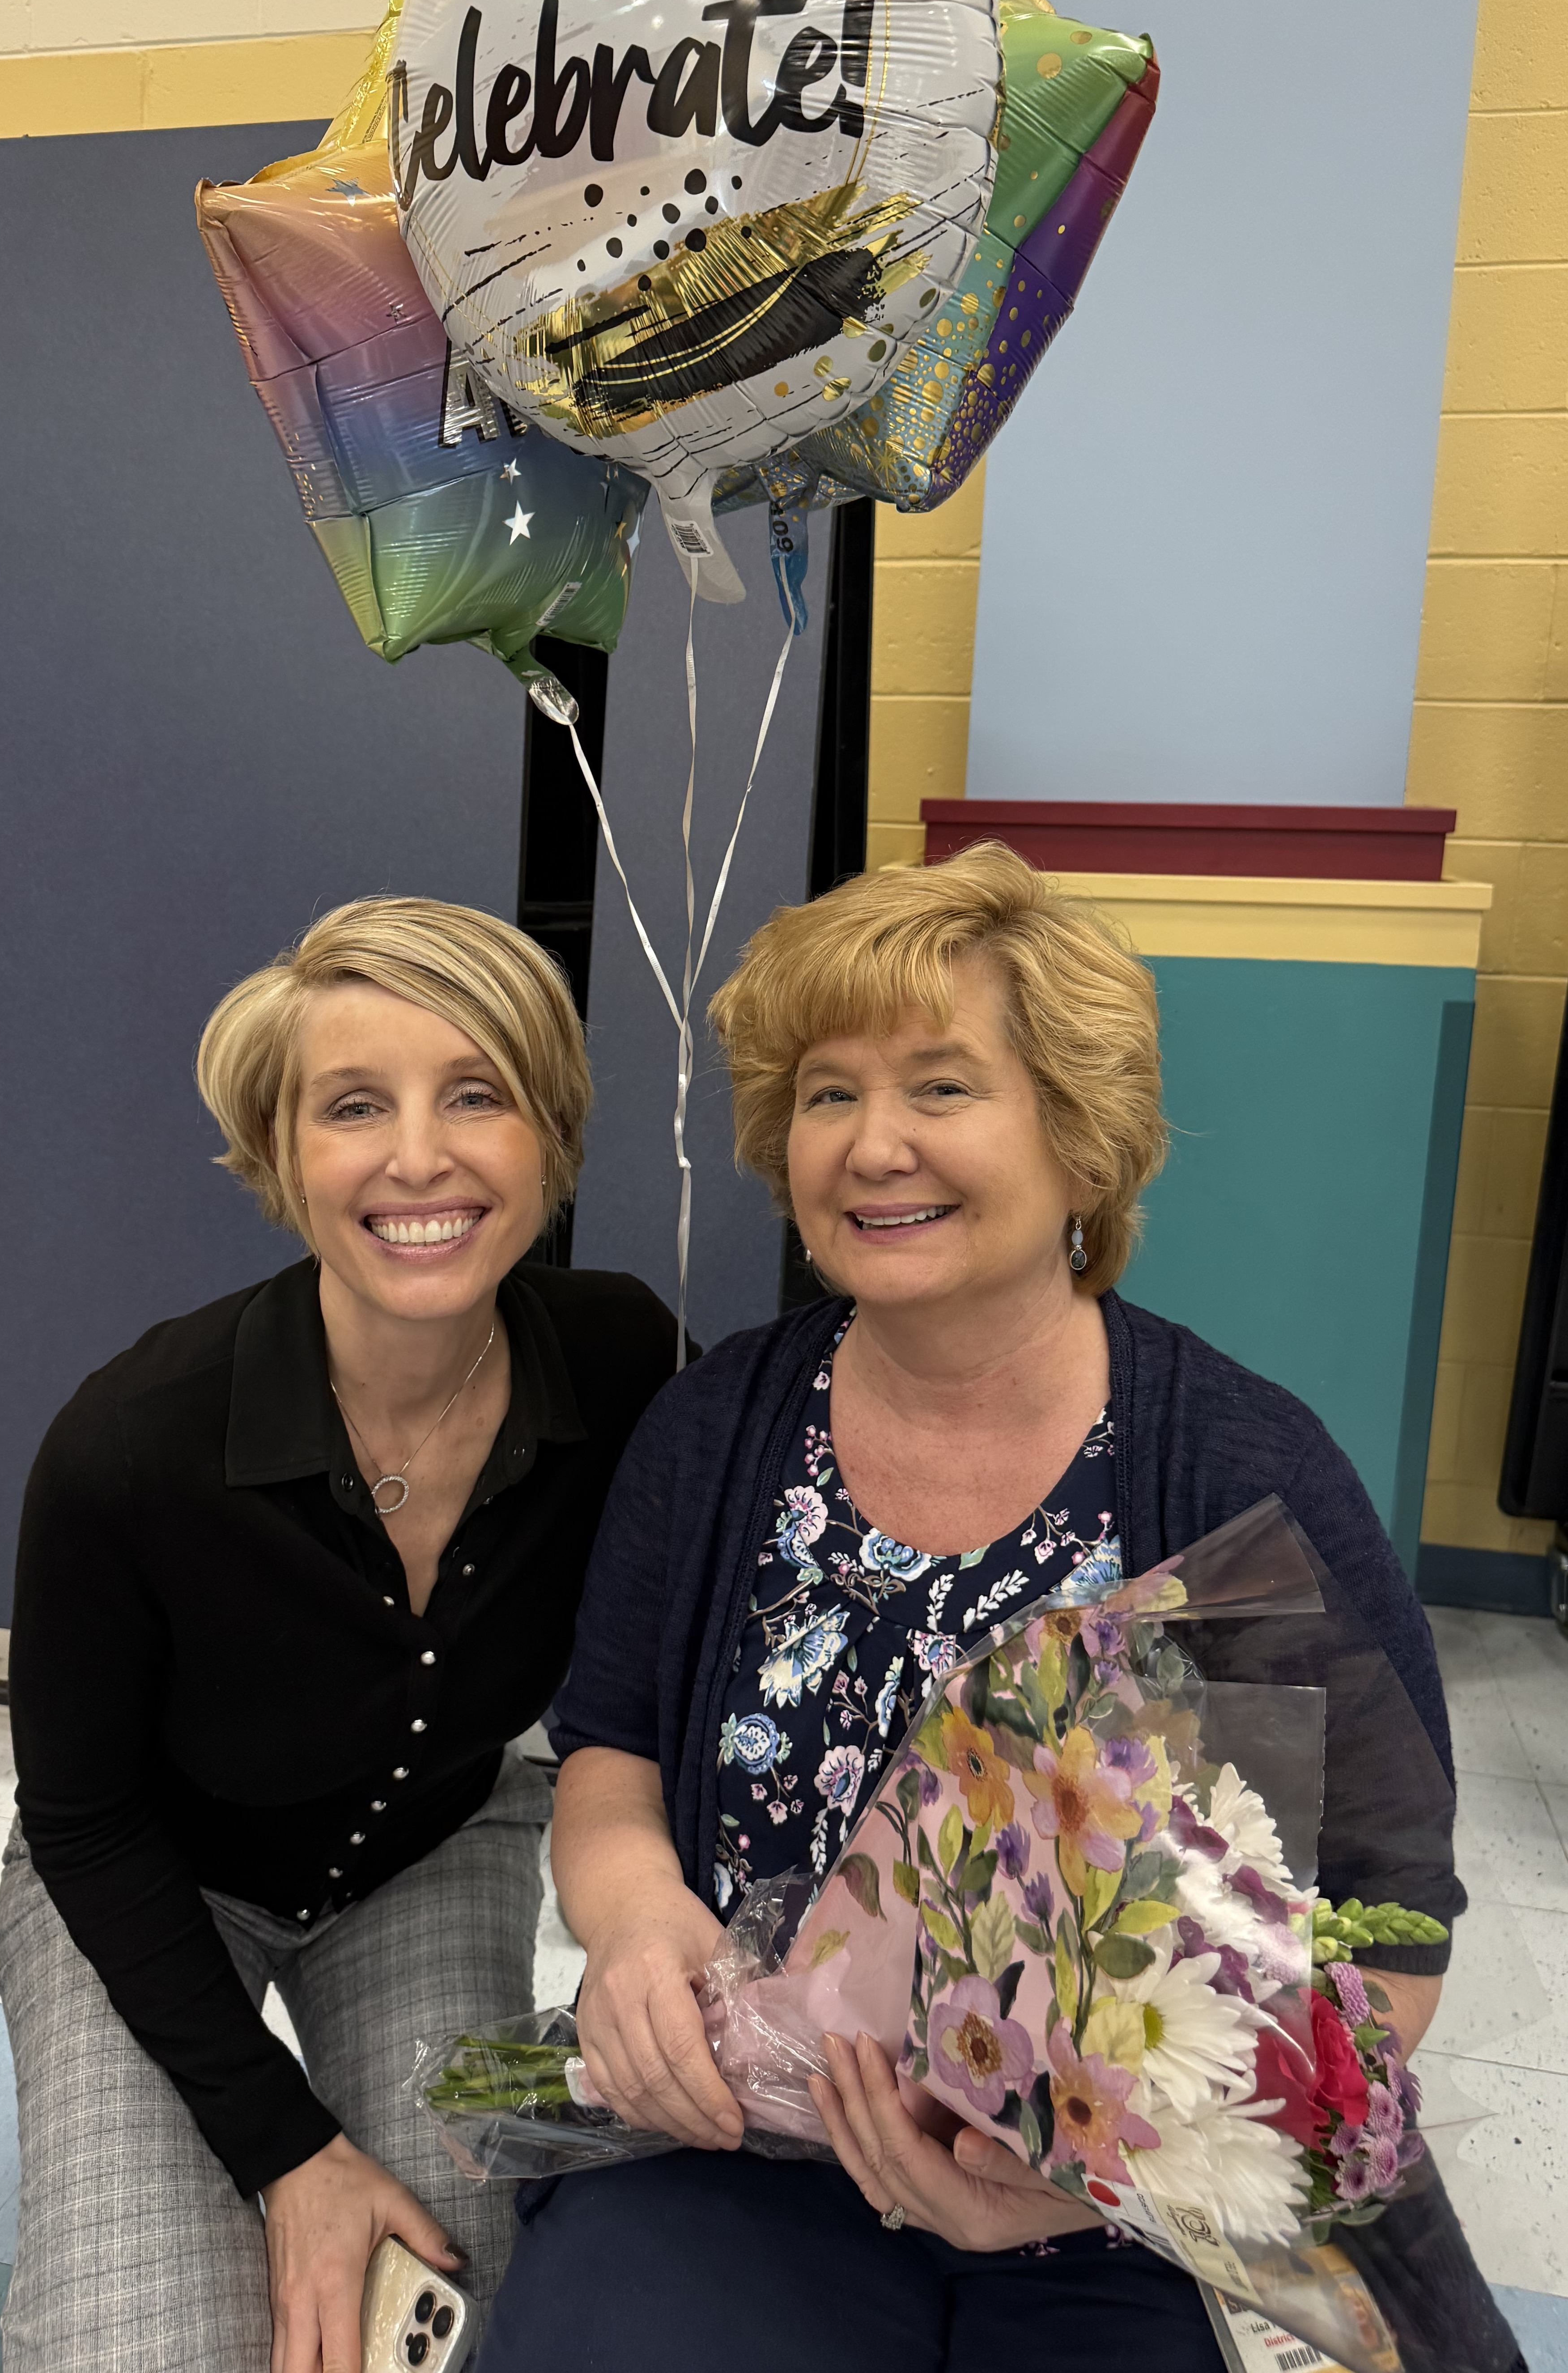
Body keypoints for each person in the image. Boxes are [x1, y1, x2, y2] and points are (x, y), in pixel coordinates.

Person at [479, 844, 1469, 2373]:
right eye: (827, 1093)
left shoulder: (1241, 1472)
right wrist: (633, 1924)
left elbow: (1396, 1941)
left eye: (943, 1088)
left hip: (1134, 2211)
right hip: (743, 2147)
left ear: (1079, 1140)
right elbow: (611, 1754)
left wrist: (1102, 2174)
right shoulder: (716, 1430)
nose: (875, 1145)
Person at [0, 896, 680, 2373]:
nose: (419, 1157)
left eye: (477, 1094)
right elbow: (85, 1820)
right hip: (150, 1877)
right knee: (147, 2345)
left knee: (464, 2287)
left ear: (549, 1138)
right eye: (354, 1106)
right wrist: (287, 2148)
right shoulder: (129, 1448)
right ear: (281, 1159)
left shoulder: (625, 1359)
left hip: (430, 1850)